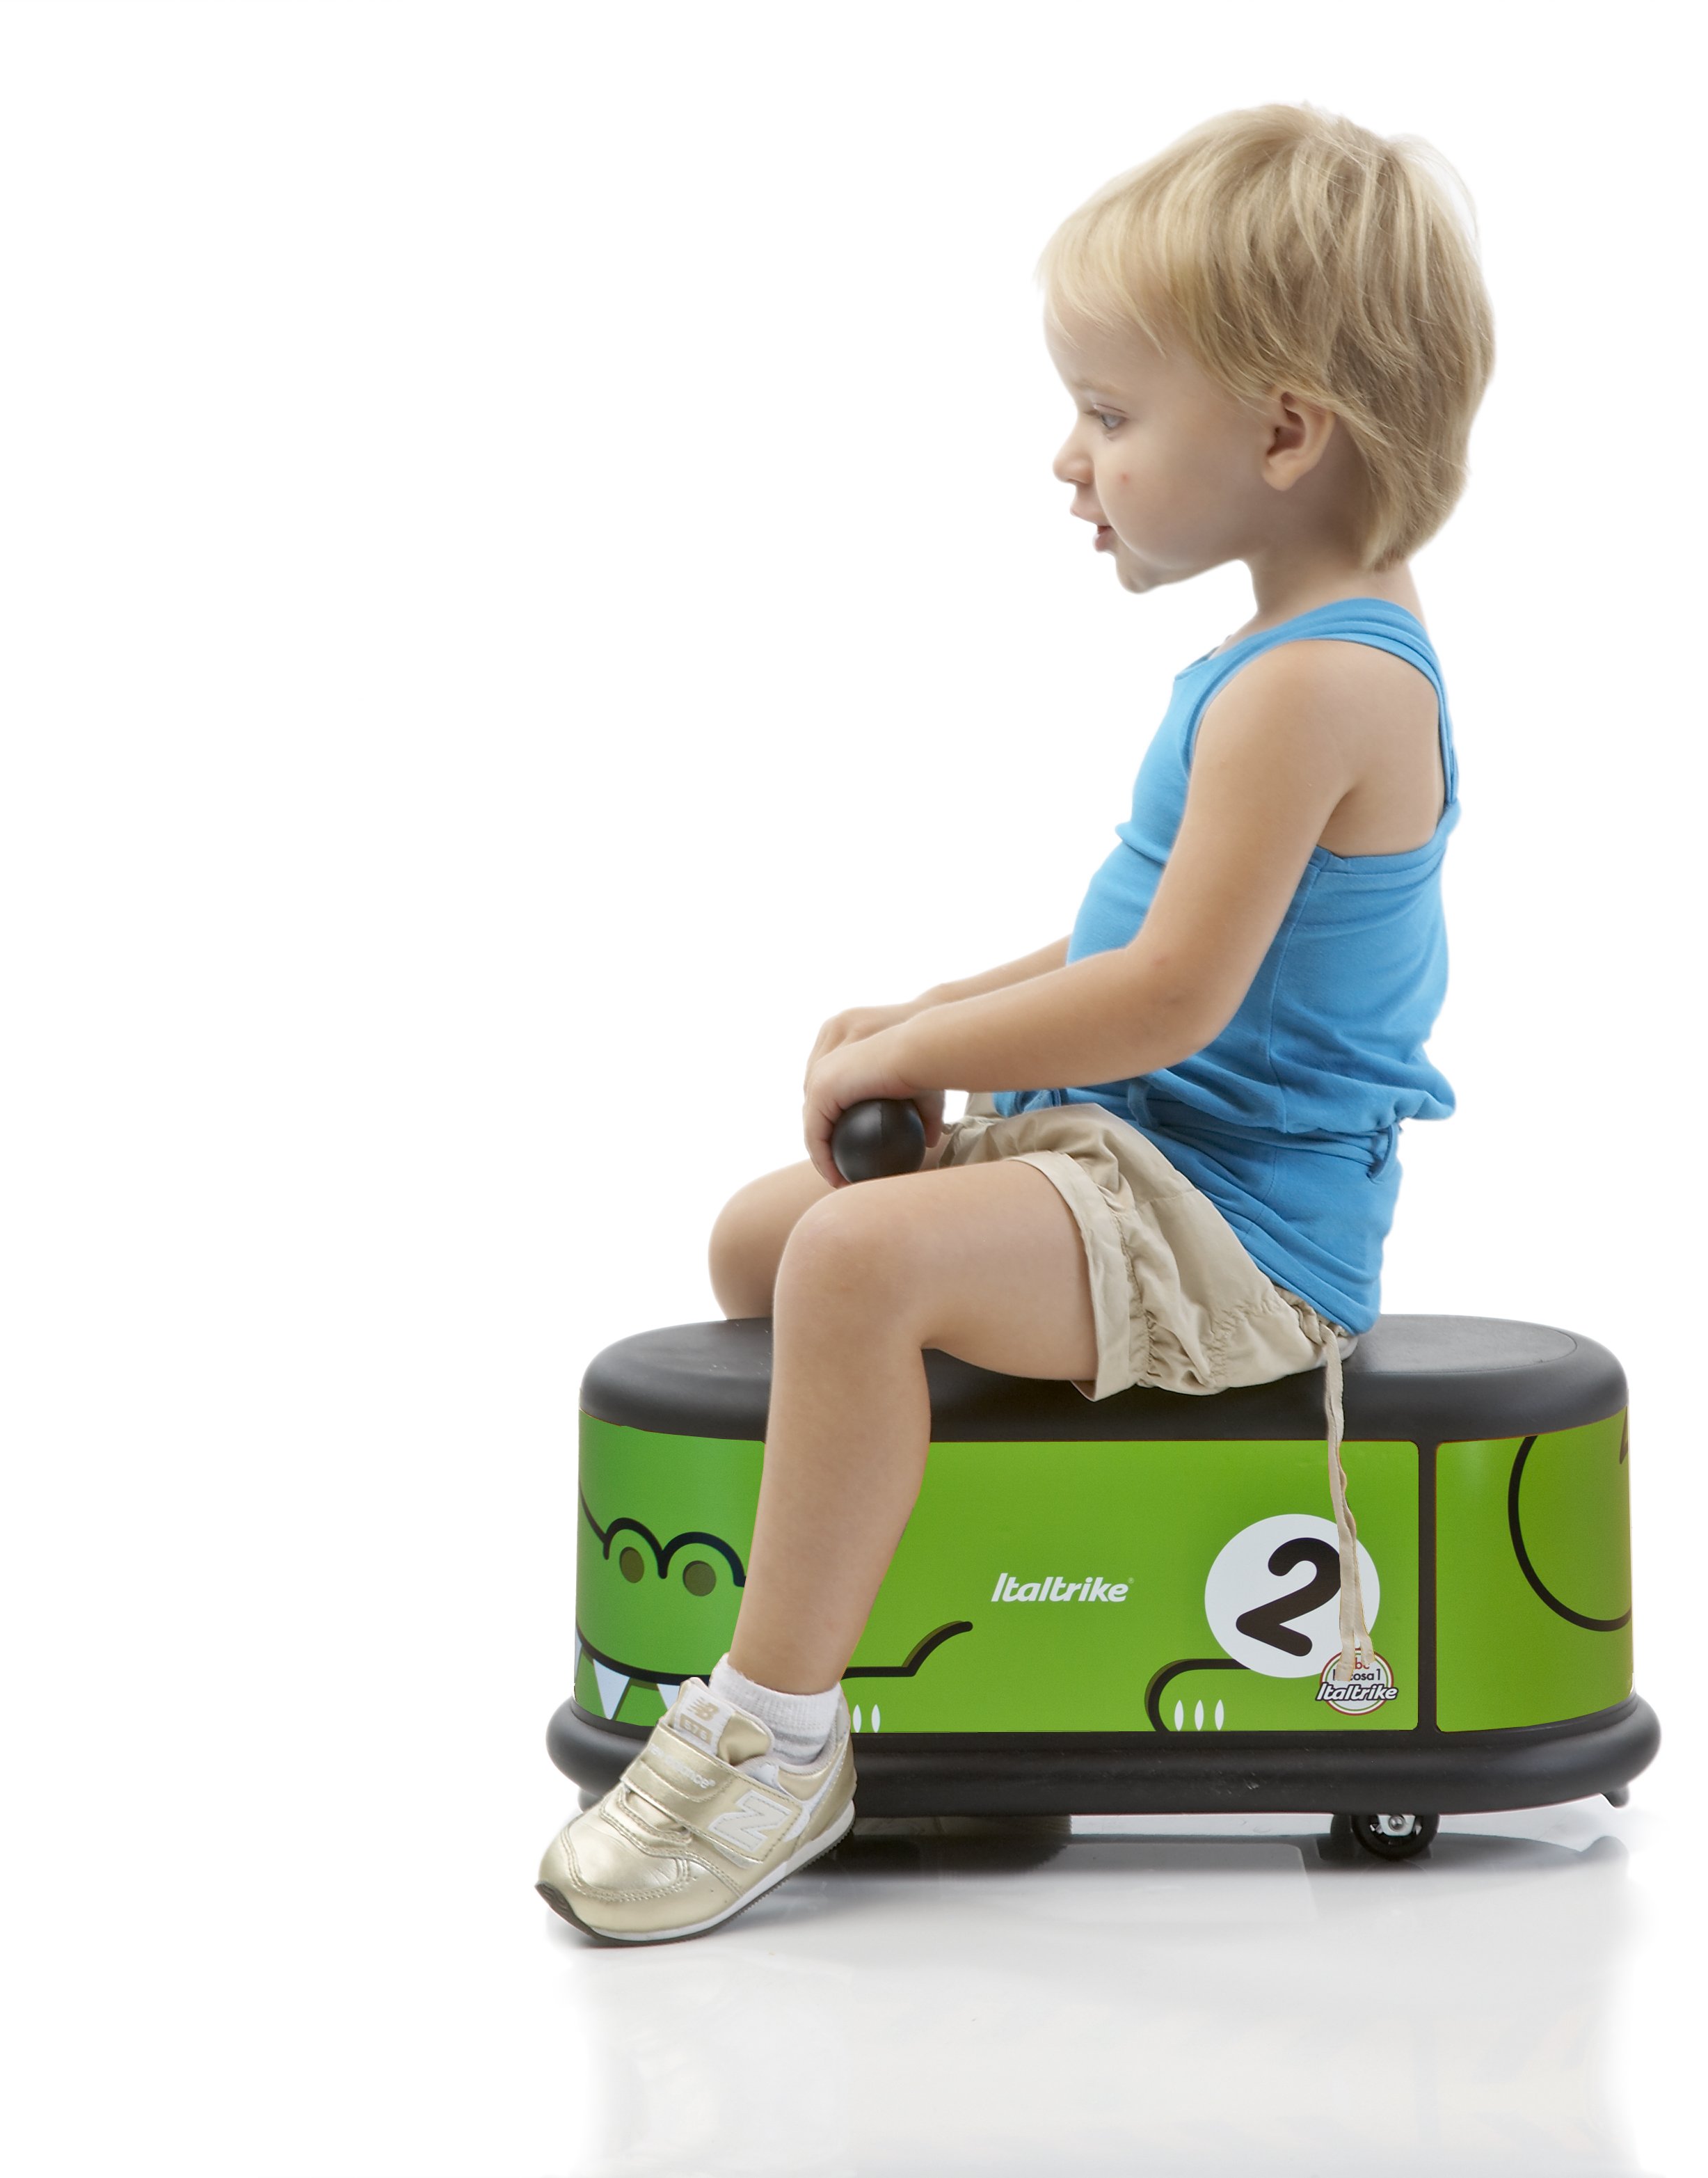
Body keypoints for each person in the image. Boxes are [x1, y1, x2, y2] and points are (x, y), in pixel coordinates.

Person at [536, 102, 1494, 1943]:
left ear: (1285, 433)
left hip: (1238, 1226)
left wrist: (922, 1060)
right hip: (1140, 1160)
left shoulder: (1320, 688)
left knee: (854, 1266)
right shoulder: (1280, 662)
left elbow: (1170, 996)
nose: (1072, 460)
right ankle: (949, 1662)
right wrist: (943, 1006)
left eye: (1112, 415)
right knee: (767, 1241)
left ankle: (772, 1736)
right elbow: (1132, 940)